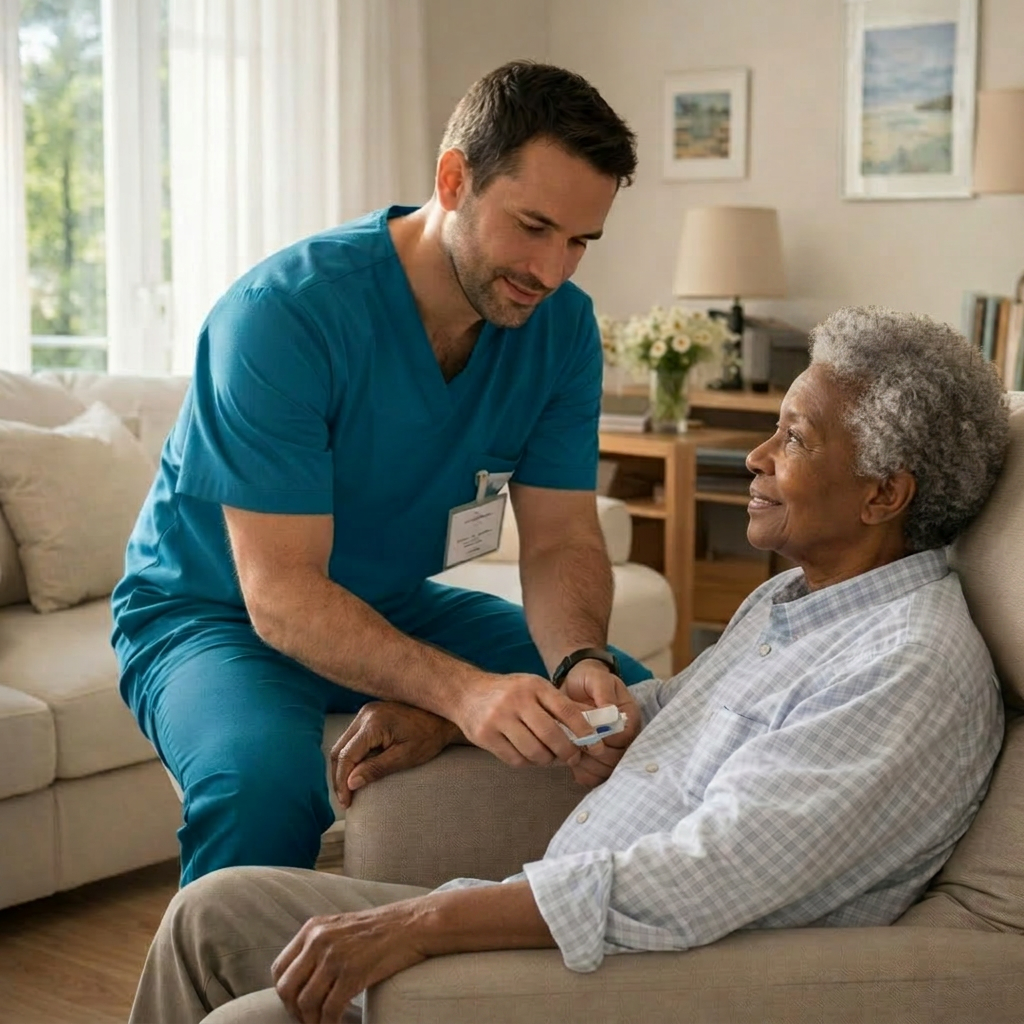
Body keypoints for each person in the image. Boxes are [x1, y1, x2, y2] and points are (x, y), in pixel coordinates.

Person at [130, 306, 1011, 1024]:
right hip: (552, 908)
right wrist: (450, 718)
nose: (755, 457)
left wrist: (425, 921)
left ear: (885, 493)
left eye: (794, 438)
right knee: (210, 911)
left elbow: (707, 874)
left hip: (633, 971)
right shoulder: (794, 603)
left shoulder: (909, 665)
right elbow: (666, 706)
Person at [110, 61, 650, 886]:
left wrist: (580, 661)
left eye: (580, 241)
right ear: (453, 178)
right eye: (533, 226)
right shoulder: (282, 316)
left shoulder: (562, 330)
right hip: (212, 612)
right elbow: (283, 596)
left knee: (635, 705)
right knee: (262, 792)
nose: (552, 270)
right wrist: (465, 697)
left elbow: (560, 539)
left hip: (385, 604)